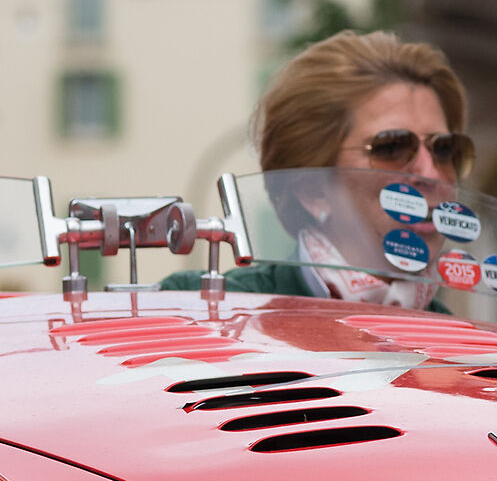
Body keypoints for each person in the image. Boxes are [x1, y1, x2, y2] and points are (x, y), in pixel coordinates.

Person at [159, 30, 468, 310]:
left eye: (445, 149)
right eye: (392, 148)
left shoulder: (465, 342)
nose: (432, 173)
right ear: (312, 191)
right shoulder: (204, 307)